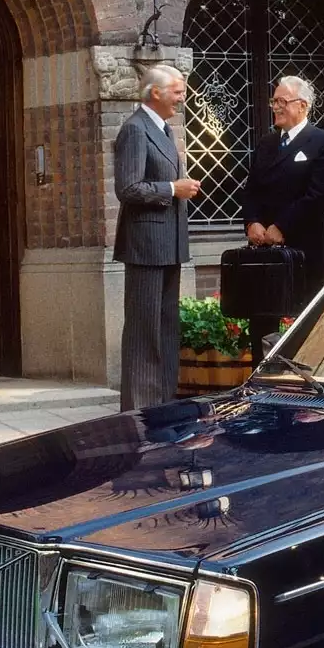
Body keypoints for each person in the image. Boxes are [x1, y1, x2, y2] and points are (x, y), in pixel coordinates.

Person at [113, 64, 201, 410]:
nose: (182, 98)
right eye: (177, 92)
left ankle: (164, 404)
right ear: (156, 93)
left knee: (165, 330)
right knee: (144, 332)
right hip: (145, 247)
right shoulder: (135, 129)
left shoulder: (162, 129)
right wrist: (172, 189)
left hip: (169, 245)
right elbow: (128, 188)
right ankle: (139, 409)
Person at [241, 75, 324, 359]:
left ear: (302, 105)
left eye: (282, 101)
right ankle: (261, 376)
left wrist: (281, 226)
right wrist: (252, 222)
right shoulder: (266, 143)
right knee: (261, 323)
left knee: (306, 323)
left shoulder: (323, 142)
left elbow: (317, 195)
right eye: (274, 101)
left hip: (304, 249)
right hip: (264, 250)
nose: (276, 107)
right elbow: (251, 190)